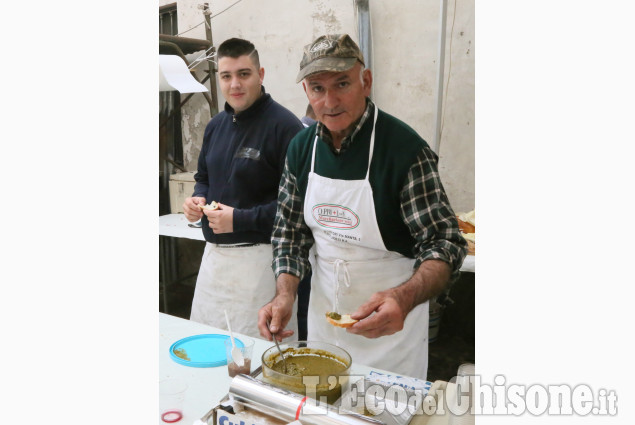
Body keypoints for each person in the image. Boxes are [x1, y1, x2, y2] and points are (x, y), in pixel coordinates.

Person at [257, 34, 468, 379]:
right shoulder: (300, 149)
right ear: (307, 93)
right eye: (317, 88)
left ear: (365, 81)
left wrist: (404, 298)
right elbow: (289, 234)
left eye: (342, 83)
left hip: (392, 332)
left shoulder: (403, 150)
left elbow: (445, 242)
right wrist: (284, 294)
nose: (330, 100)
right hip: (326, 323)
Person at [183, 37, 304, 338]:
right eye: (226, 76)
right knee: (206, 350)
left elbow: (298, 209)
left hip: (261, 264)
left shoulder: (285, 128)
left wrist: (239, 219)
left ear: (260, 74)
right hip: (213, 264)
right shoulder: (215, 126)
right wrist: (198, 198)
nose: (234, 84)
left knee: (259, 364)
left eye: (244, 74)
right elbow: (204, 177)